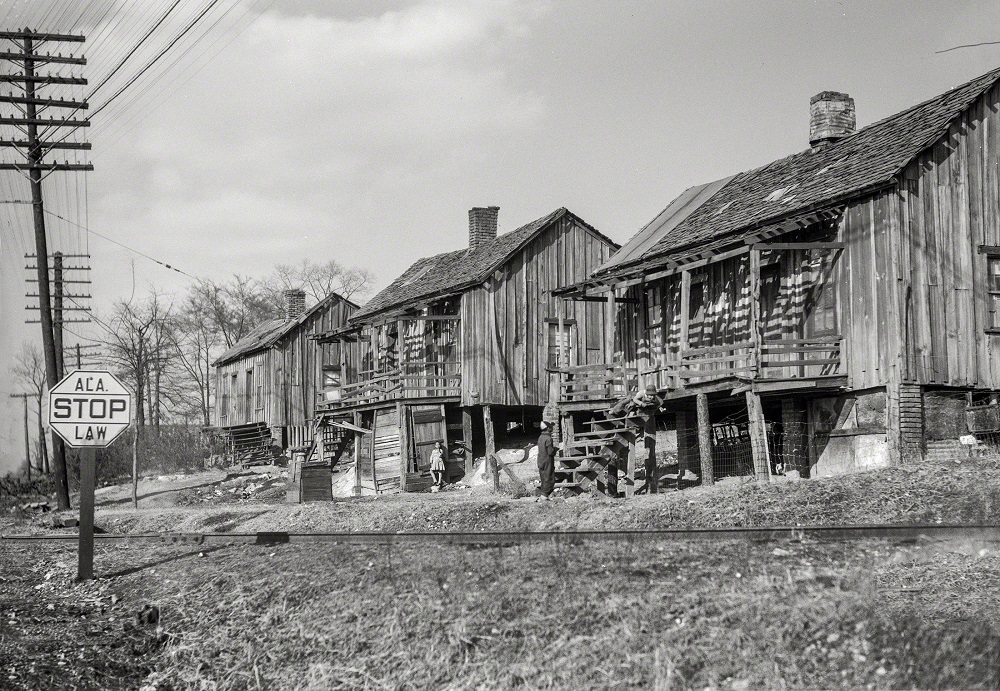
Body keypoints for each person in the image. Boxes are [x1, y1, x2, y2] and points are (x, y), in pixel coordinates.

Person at [537, 420, 556, 500]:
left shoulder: (540, 437)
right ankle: (544, 496)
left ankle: (543, 495)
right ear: (548, 428)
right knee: (549, 477)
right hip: (547, 460)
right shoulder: (548, 438)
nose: (552, 428)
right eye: (551, 427)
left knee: (543, 477)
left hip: (540, 460)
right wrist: (555, 450)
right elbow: (550, 452)